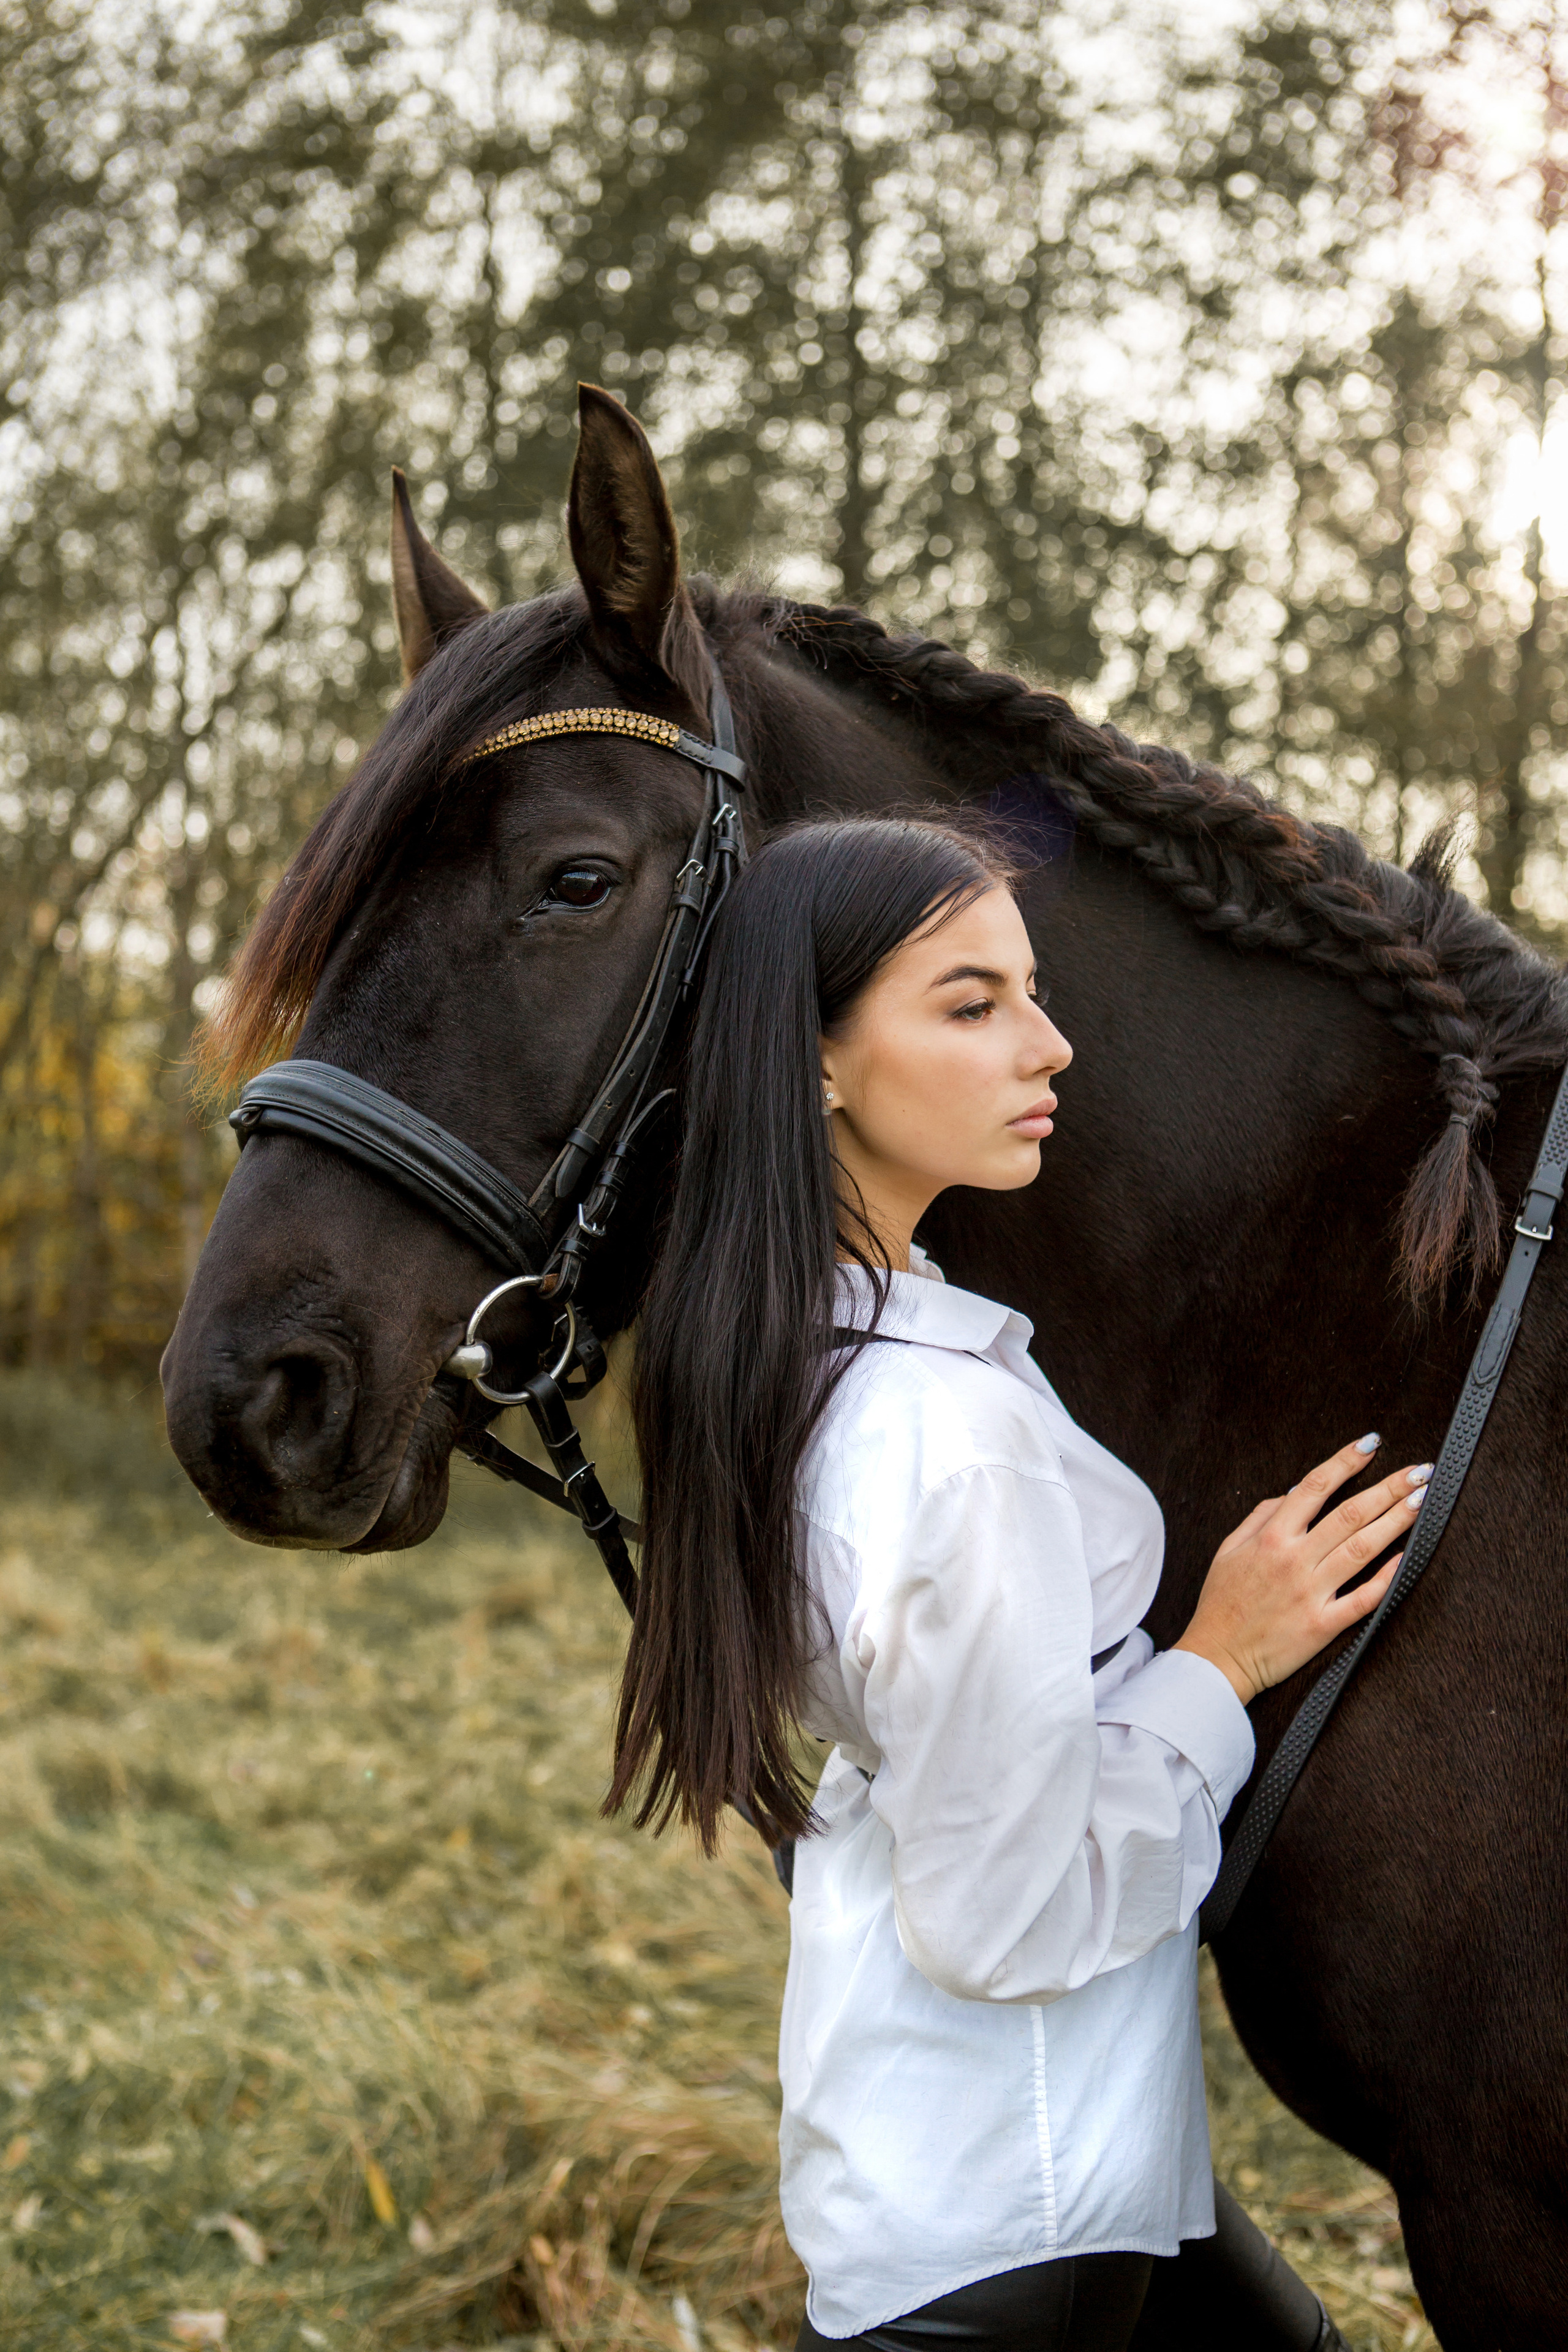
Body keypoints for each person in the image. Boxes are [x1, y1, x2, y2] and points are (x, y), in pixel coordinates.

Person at [612, 816, 1427, 2352]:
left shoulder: (804, 1348)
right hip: (1007, 2216)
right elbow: (1003, 1917)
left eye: (1031, 991)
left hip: (1018, 2161)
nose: (1049, 1045)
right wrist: (1218, 1662)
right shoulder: (946, 1435)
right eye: (970, 1003)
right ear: (818, 1062)